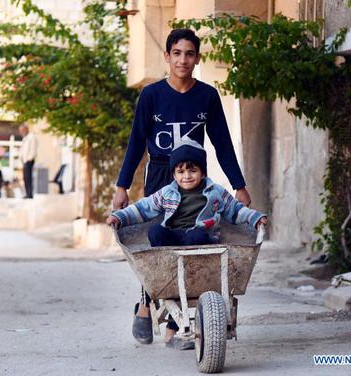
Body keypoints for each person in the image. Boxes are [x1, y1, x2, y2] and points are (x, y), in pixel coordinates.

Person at [112, 29, 253, 347]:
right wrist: (122, 187)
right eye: (176, 53)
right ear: (167, 56)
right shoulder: (151, 96)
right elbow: (136, 144)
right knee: (157, 245)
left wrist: (238, 186)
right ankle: (147, 306)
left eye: (189, 53)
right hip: (161, 175)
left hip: (193, 180)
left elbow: (222, 144)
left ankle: (177, 324)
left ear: (197, 58)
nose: (182, 60)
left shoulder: (207, 96)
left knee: (191, 246)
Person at [108, 140, 267, 349]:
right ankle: (159, 284)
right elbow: (143, 208)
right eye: (181, 172)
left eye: (192, 170)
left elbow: (236, 210)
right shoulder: (167, 192)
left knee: (196, 237)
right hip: (173, 241)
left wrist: (255, 218)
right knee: (155, 231)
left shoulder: (215, 192)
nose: (187, 176)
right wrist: (119, 217)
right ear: (174, 174)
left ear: (202, 172)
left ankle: (181, 317)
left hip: (198, 240)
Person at [19, 124, 37, 198]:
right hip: (25, 161)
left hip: (29, 160)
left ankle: (29, 194)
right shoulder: (25, 138)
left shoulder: (31, 137)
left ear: (26, 129)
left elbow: (33, 149)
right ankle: (27, 193)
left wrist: (29, 158)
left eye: (22, 130)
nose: (21, 132)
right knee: (25, 178)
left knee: (28, 177)